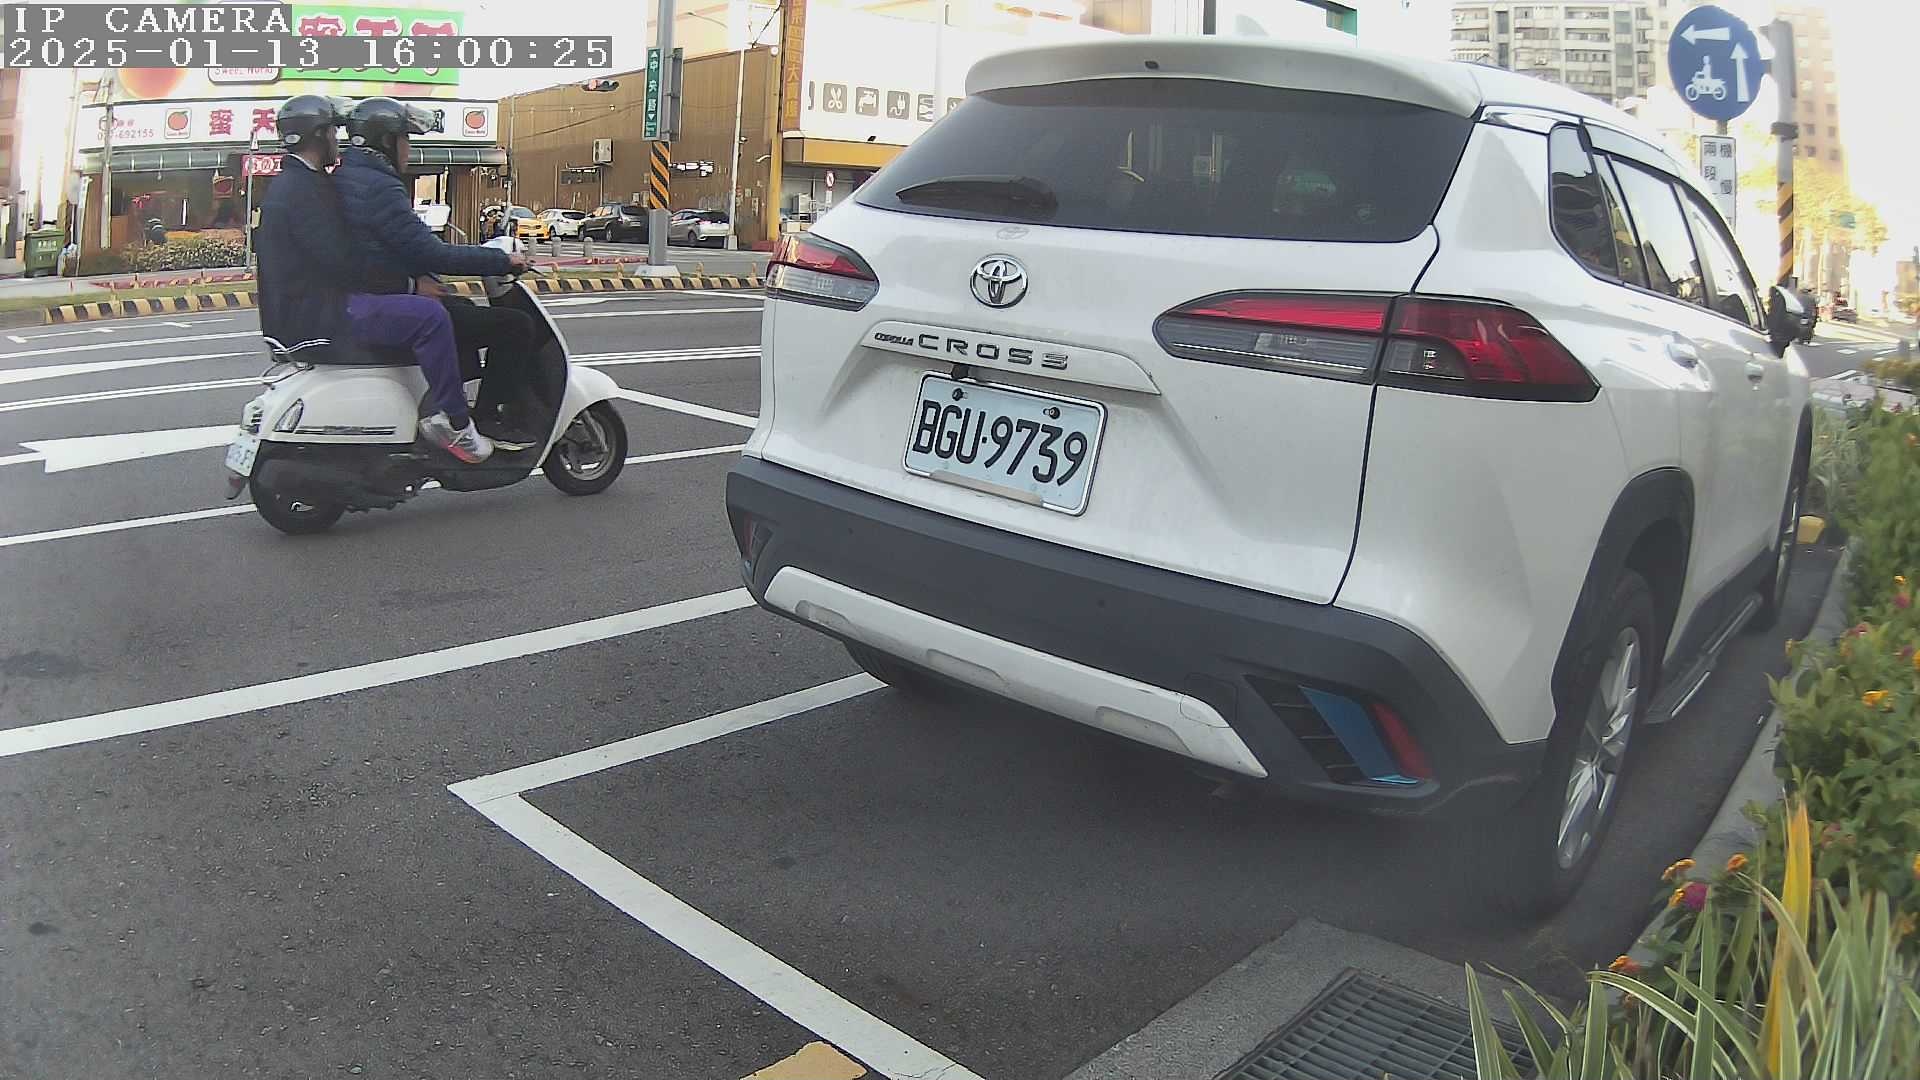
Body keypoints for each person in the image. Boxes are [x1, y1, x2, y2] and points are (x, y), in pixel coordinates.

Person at [257, 95, 499, 463]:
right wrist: (410, 286)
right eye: (333, 132)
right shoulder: (305, 190)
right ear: (319, 135)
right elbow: (342, 263)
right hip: (321, 313)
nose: (338, 141)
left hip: (306, 307)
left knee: (437, 310)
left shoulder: (296, 183)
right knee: (430, 317)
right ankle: (456, 423)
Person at [334, 99, 541, 449]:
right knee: (515, 326)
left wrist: (416, 279)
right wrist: (502, 260)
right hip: (383, 298)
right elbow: (433, 252)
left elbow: (387, 244)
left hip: (373, 290)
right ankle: (484, 418)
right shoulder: (379, 187)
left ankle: (448, 400)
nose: (409, 148)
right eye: (405, 139)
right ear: (387, 141)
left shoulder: (351, 177)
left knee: (462, 308)